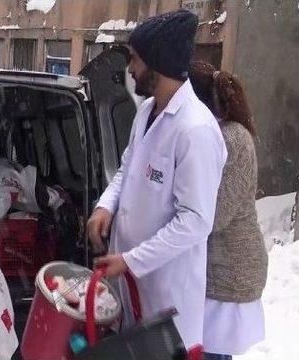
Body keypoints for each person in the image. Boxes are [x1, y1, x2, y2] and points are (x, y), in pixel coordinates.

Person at [86, 10, 227, 351]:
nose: (130, 68)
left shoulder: (196, 130)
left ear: (158, 62)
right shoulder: (147, 112)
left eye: (135, 59)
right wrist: (106, 205)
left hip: (168, 303)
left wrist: (132, 260)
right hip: (134, 294)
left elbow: (195, 221)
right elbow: (126, 169)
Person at [189, 61, 267, 360]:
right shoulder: (220, 133)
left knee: (212, 352)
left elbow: (215, 213)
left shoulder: (232, 139)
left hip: (230, 270)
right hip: (218, 268)